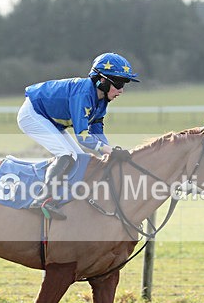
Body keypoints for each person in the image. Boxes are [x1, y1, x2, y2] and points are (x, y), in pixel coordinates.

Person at [17, 52, 140, 219]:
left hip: (50, 118)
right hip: (32, 113)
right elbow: (83, 137)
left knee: (81, 158)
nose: (121, 90)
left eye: (124, 84)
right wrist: (110, 151)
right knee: (67, 155)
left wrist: (110, 152)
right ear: (102, 80)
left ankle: (64, 200)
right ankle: (42, 200)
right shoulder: (83, 94)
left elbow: (97, 133)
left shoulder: (102, 100)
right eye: (118, 84)